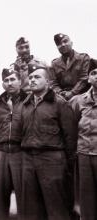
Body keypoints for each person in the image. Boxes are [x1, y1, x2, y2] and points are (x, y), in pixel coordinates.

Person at [21, 63, 77, 220]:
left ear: (48, 82)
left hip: (52, 160)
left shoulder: (60, 104)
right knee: (31, 209)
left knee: (56, 208)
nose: (32, 80)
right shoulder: (25, 105)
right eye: (30, 77)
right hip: (28, 160)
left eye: (37, 77)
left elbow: (70, 137)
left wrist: (68, 165)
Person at [0, 68, 27, 220]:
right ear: (3, 84)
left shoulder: (29, 101)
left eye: (13, 79)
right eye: (6, 80)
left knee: (23, 195)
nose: (10, 83)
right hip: (1, 152)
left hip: (20, 152)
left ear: (20, 81)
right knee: (1, 194)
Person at [70, 58, 97, 220]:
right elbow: (71, 129)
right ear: (88, 78)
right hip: (84, 156)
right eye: (93, 73)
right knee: (87, 201)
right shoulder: (78, 101)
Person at [50, 33, 90, 100]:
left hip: (82, 95)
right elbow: (53, 83)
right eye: (59, 44)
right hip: (62, 96)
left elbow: (83, 79)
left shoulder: (83, 58)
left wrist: (72, 93)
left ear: (71, 43)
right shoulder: (54, 63)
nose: (63, 45)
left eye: (65, 41)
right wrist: (60, 93)